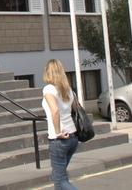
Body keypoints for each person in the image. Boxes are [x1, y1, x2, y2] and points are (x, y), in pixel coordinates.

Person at [41, 59, 79, 190]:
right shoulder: (68, 90)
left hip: (59, 139)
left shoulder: (49, 89)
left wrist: (57, 132)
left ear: (48, 72)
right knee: (60, 178)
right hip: (73, 137)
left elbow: (55, 111)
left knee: (60, 181)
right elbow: (75, 109)